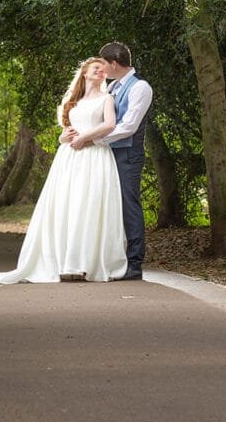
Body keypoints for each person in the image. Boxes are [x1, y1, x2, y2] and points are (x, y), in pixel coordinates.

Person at [0, 57, 128, 284]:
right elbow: (66, 130)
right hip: (69, 158)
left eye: (104, 71)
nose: (101, 73)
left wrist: (85, 138)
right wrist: (62, 137)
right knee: (69, 205)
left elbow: (110, 125)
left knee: (90, 203)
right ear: (85, 73)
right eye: (96, 69)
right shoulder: (72, 101)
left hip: (94, 155)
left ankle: (87, 262)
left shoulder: (106, 99)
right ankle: (65, 261)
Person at [96, 42, 153, 281]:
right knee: (110, 205)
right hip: (109, 153)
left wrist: (96, 140)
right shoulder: (111, 88)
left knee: (129, 204)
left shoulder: (140, 87)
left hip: (128, 154)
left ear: (114, 64)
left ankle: (135, 262)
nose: (101, 71)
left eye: (103, 65)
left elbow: (129, 126)